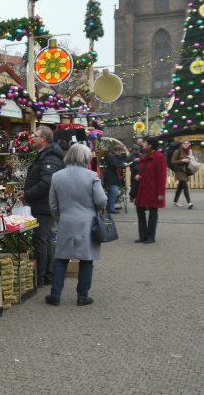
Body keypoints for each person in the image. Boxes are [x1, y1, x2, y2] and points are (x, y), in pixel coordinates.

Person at [45, 144, 106, 307]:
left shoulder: (57, 176)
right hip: (87, 223)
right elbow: (101, 201)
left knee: (61, 259)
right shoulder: (92, 176)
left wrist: (60, 218)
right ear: (85, 158)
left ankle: (56, 294)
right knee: (86, 260)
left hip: (65, 221)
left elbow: (53, 204)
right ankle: (82, 296)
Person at [16, 126, 66, 287]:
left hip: (43, 205)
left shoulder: (49, 158)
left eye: (35, 136)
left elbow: (46, 183)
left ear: (43, 139)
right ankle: (47, 275)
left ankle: (41, 277)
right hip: (44, 204)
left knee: (41, 240)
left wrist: (28, 194)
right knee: (45, 240)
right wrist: (28, 191)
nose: (33, 139)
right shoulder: (46, 155)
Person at [134, 136, 167, 244]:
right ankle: (143, 235)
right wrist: (138, 175)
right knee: (140, 210)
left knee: (153, 212)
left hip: (153, 189)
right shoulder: (144, 155)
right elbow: (143, 170)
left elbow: (162, 176)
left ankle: (150, 236)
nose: (142, 144)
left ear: (150, 145)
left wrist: (161, 192)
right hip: (143, 188)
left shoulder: (159, 157)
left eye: (144, 142)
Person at [103, 144, 129, 214]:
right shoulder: (113, 156)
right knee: (113, 193)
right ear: (117, 150)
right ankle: (111, 208)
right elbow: (115, 165)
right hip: (112, 178)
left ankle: (110, 207)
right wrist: (124, 165)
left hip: (114, 177)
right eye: (121, 151)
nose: (121, 153)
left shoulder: (114, 156)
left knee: (112, 193)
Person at [171, 140, 194, 209]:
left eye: (187, 143)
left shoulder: (190, 152)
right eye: (184, 143)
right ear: (182, 144)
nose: (186, 145)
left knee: (180, 187)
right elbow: (173, 162)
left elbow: (191, 159)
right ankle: (189, 203)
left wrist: (194, 159)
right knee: (185, 186)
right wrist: (182, 160)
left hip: (186, 172)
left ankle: (175, 202)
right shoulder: (178, 151)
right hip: (179, 171)